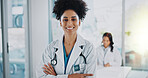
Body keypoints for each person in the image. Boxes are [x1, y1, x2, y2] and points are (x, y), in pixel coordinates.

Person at [36, 0, 97, 78]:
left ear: (79, 22)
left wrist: (56, 76)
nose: (69, 23)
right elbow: (41, 76)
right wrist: (69, 77)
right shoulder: (51, 49)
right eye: (65, 20)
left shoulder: (89, 49)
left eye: (73, 19)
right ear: (60, 23)